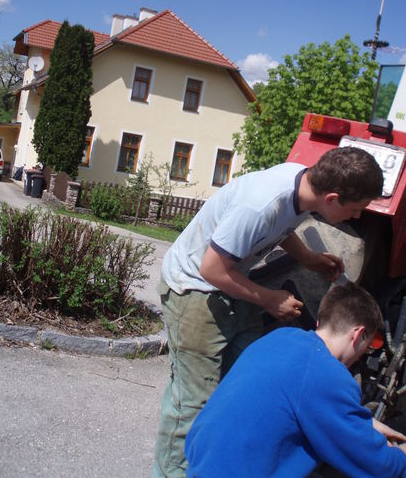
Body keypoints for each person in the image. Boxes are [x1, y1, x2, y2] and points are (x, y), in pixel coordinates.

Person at [152, 147, 384, 477]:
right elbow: (212, 269)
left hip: (230, 286)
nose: (357, 218)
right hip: (193, 290)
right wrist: (268, 299)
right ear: (332, 198)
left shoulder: (303, 185)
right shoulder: (259, 205)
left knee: (242, 389)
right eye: (356, 209)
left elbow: (283, 226)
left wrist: (308, 258)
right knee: (190, 405)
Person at [185, 283, 406, 477]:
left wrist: (364, 423)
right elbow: (378, 465)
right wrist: (401, 455)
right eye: (365, 349)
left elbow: (298, 398)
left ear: (321, 320)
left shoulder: (280, 338)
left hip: (202, 465)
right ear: (357, 335)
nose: (359, 357)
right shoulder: (328, 375)